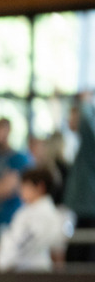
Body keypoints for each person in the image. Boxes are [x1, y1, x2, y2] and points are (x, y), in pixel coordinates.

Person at [0, 168, 67, 272]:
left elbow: (23, 245)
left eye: (25, 186)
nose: (21, 191)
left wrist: (4, 260)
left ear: (40, 187)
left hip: (32, 272)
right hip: (22, 271)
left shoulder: (43, 215)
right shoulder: (26, 212)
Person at [64, 92, 95, 261]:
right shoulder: (82, 148)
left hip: (89, 210)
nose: (69, 121)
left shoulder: (90, 144)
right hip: (82, 210)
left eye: (73, 117)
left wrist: (85, 102)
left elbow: (88, 125)